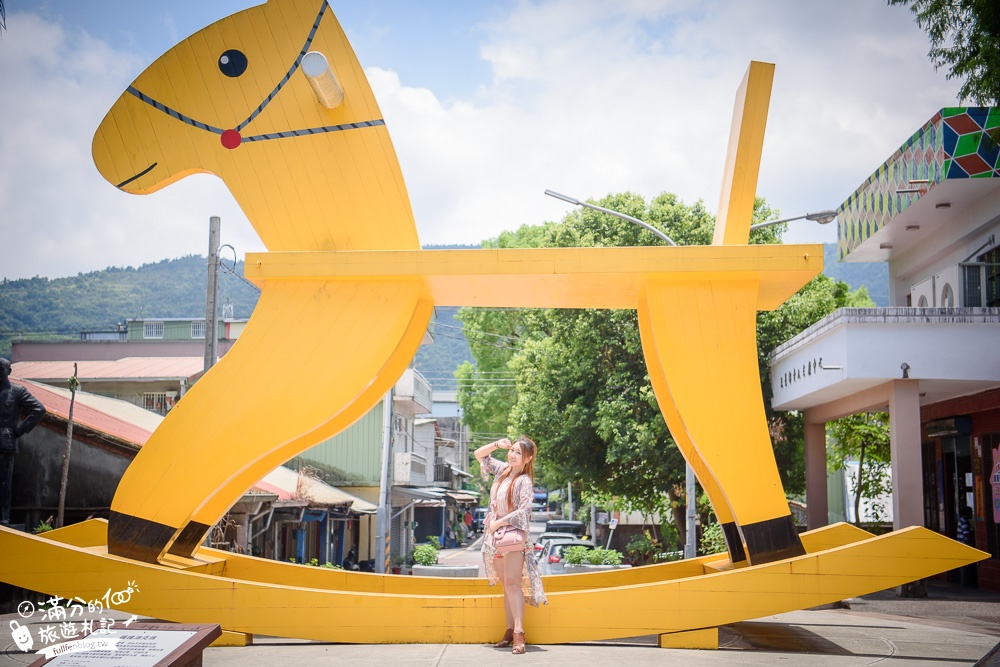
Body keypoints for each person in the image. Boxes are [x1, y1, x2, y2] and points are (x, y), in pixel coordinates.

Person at [475, 436, 547, 654]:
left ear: (528, 458)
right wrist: (498, 444)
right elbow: (479, 455)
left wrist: (499, 521)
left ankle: (518, 632)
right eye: (512, 450)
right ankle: (509, 630)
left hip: (512, 536)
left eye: (518, 452)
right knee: (506, 585)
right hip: (496, 538)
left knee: (513, 583)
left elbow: (524, 510)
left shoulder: (524, 481)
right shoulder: (502, 471)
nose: (513, 455)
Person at [0, 359, 45, 527]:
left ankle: (4, 517)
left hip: (6, 443)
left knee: (4, 483)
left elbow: (39, 409)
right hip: (6, 442)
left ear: (9, 372)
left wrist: (20, 430)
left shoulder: (17, 391)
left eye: (1, 369)